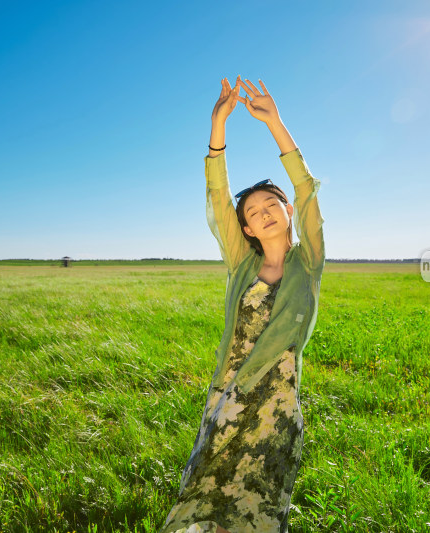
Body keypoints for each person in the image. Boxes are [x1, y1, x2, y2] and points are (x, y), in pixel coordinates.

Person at [159, 76, 325, 533]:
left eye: (272, 204)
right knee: (205, 488)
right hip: (228, 394)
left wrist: (275, 122)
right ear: (247, 230)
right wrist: (219, 126)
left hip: (275, 404)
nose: (264, 213)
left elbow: (308, 188)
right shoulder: (241, 264)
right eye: (252, 213)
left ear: (287, 210)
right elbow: (217, 197)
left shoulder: (307, 262)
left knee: (259, 502)